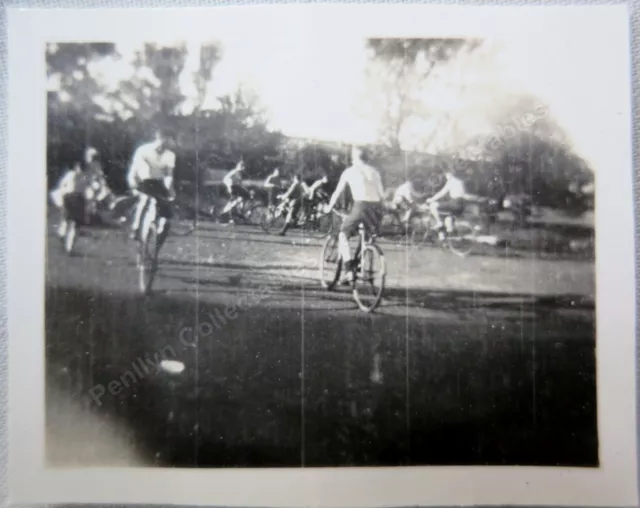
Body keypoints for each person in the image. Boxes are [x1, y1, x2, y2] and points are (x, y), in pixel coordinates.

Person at [324, 146, 385, 274]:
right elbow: (381, 194)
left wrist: (328, 207)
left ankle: (348, 270)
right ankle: (360, 260)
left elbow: (337, 192)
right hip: (377, 208)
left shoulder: (349, 171)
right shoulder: (374, 171)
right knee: (368, 237)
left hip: (361, 205)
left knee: (343, 235)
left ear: (354, 157)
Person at [127, 127, 177, 242]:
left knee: (167, 202)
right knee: (145, 200)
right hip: (141, 180)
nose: (171, 142)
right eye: (170, 139)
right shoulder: (144, 150)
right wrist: (134, 184)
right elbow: (136, 170)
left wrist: (170, 188)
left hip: (157, 182)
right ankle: (136, 228)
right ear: (161, 138)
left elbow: (169, 174)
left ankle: (159, 229)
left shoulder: (170, 155)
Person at [50, 161, 92, 239]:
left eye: (78, 167)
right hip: (70, 197)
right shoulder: (73, 175)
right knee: (67, 217)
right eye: (77, 167)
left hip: (74, 198)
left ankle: (64, 233)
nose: (77, 168)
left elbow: (86, 188)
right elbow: (61, 184)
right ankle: (63, 234)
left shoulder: (80, 176)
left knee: (68, 217)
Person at [427, 170, 471, 237]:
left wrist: (431, 199)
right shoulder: (460, 181)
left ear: (450, 174)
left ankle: (439, 223)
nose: (446, 177)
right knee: (447, 214)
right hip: (461, 206)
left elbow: (442, 193)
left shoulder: (451, 181)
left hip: (454, 203)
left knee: (433, 205)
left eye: (446, 175)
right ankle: (447, 235)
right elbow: (464, 195)